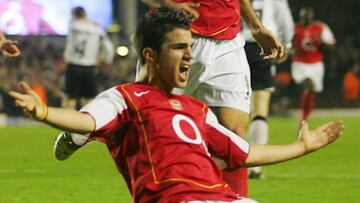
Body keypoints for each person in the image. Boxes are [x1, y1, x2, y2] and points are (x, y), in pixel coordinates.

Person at [9, 8, 344, 203]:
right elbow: (85, 120)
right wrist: (45, 113)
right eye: (180, 48)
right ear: (151, 56)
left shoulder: (196, 111)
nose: (189, 55)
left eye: (189, 48)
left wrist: (303, 146)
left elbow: (246, 154)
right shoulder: (125, 97)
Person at [139, 0, 284, 196]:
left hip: (227, 42)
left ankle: (234, 200)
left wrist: (255, 27)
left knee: (234, 135)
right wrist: (170, 5)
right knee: (154, 132)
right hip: (173, 36)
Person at [241, 0, 294, 178]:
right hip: (262, 46)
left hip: (234, 48)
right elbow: (285, 22)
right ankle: (255, 166)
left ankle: (232, 164)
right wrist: (285, 45)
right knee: (260, 110)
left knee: (234, 109)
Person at [63, 6, 114, 109]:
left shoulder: (72, 25)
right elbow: (108, 47)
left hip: (74, 67)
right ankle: (87, 123)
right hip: (90, 68)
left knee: (70, 98)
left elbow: (75, 21)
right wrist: (105, 60)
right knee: (88, 100)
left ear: (74, 15)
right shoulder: (96, 29)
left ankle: (67, 123)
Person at [291, 7, 336, 125]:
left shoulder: (320, 27)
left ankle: (304, 118)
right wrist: (291, 51)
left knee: (312, 93)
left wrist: (322, 41)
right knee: (308, 85)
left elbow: (332, 46)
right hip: (300, 64)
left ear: (312, 17)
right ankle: (304, 118)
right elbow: (285, 45)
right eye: (303, 17)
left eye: (307, 17)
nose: (305, 20)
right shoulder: (294, 28)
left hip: (316, 65)